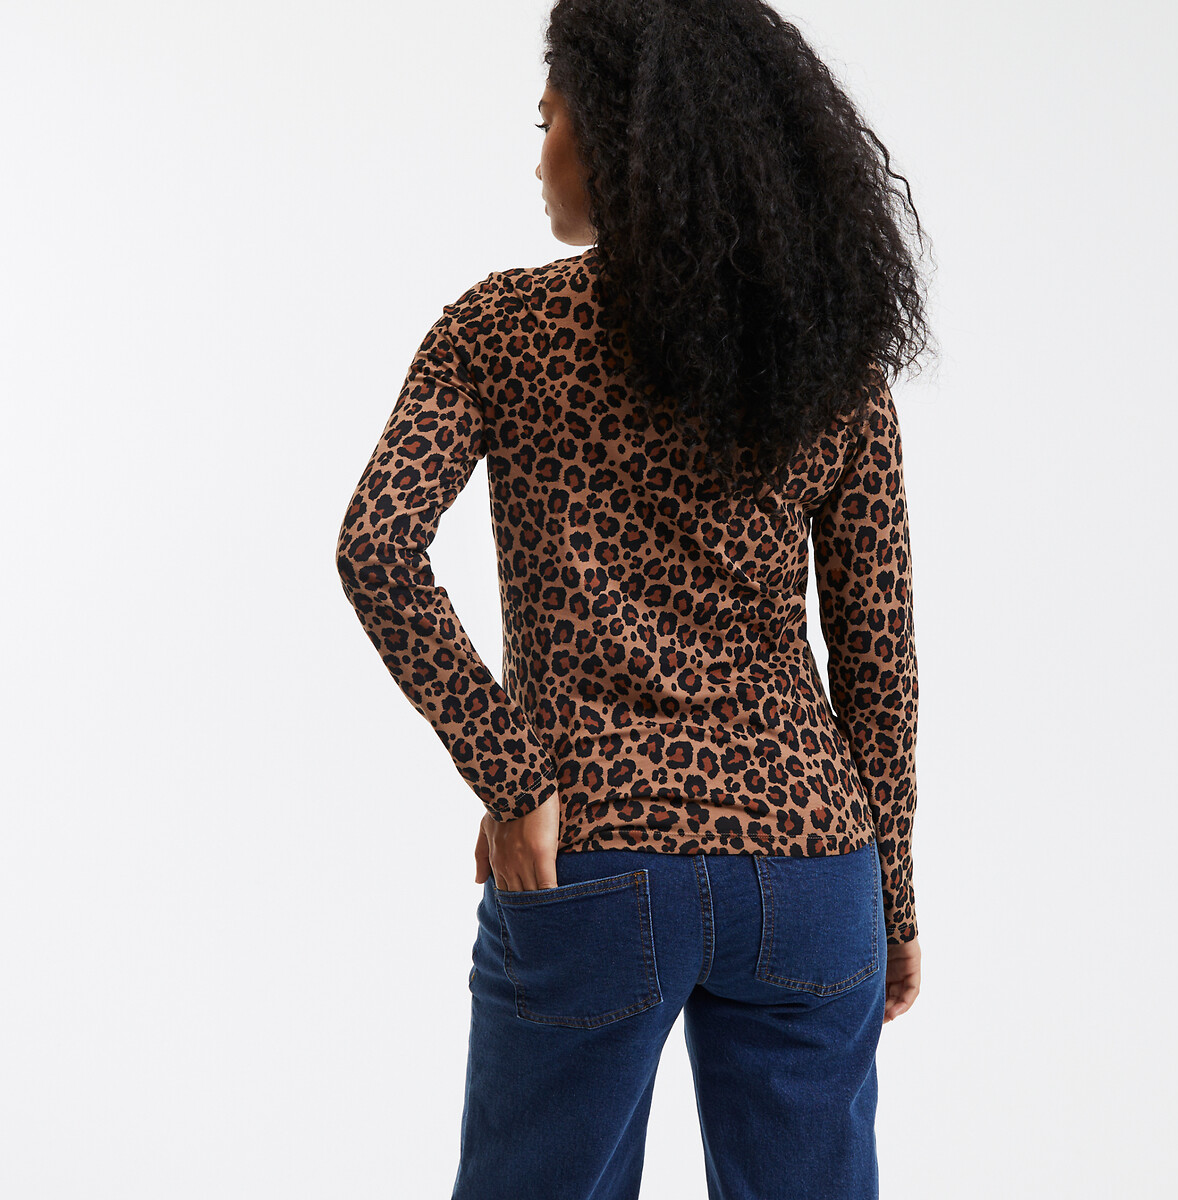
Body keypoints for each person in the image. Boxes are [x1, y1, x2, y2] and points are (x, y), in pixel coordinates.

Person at [335, 1, 933, 1196]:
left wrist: (514, 776)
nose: (539, 148)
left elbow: (376, 548)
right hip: (812, 865)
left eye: (549, 118)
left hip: (591, 861)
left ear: (617, 136)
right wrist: (893, 893)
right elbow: (878, 656)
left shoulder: (501, 330)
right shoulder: (831, 357)